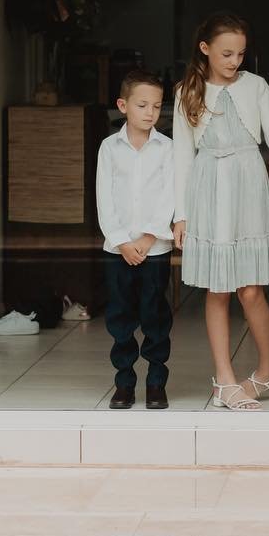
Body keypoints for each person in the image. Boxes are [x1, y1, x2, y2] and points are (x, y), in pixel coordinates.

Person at [172, 12, 269, 412]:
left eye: (240, 53)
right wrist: (181, 214)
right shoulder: (186, 91)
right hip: (208, 185)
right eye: (226, 53)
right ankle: (224, 379)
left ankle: (267, 366)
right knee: (217, 288)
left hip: (248, 181)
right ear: (204, 49)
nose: (234, 60)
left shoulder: (256, 87)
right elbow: (181, 156)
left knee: (251, 288)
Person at [95, 69, 176, 410]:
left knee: (155, 318)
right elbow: (104, 196)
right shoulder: (109, 148)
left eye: (156, 106)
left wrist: (148, 237)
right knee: (121, 318)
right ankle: (124, 382)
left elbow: (170, 194)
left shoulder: (167, 148)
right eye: (142, 105)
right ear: (122, 105)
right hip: (119, 249)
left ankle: (156, 383)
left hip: (154, 248)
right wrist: (121, 240)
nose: (150, 112)